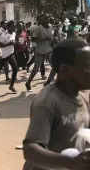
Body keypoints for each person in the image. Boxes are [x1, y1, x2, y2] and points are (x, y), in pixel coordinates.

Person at [22, 38, 90, 170]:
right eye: (88, 65)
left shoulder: (82, 98)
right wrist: (71, 162)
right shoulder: (48, 102)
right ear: (65, 70)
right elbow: (30, 150)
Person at [25, 14, 56, 91]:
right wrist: (44, 39)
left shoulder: (51, 27)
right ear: (41, 20)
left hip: (49, 51)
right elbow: (33, 39)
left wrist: (53, 47)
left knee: (55, 67)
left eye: (48, 18)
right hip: (39, 52)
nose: (47, 20)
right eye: (45, 18)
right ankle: (28, 82)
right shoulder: (38, 29)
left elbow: (51, 38)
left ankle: (48, 82)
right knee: (35, 69)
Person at [0, 20, 18, 93]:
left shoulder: (14, 33)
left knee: (15, 69)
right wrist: (9, 43)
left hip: (11, 54)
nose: (15, 27)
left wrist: (15, 43)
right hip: (3, 55)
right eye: (13, 26)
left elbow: (14, 41)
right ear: (8, 27)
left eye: (15, 26)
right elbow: (0, 45)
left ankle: (11, 86)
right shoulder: (4, 35)